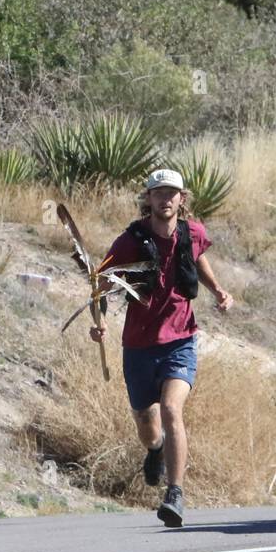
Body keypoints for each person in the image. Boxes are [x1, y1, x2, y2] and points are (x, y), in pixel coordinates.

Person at [88, 168, 234, 528]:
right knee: (146, 420)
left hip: (181, 340)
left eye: (172, 193)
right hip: (138, 346)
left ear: (182, 199)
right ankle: (154, 450)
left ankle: (175, 493)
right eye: (158, 193)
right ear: (148, 199)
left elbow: (197, 257)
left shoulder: (193, 232)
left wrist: (217, 290)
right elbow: (101, 283)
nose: (165, 199)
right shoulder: (130, 241)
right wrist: (100, 320)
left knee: (171, 409)